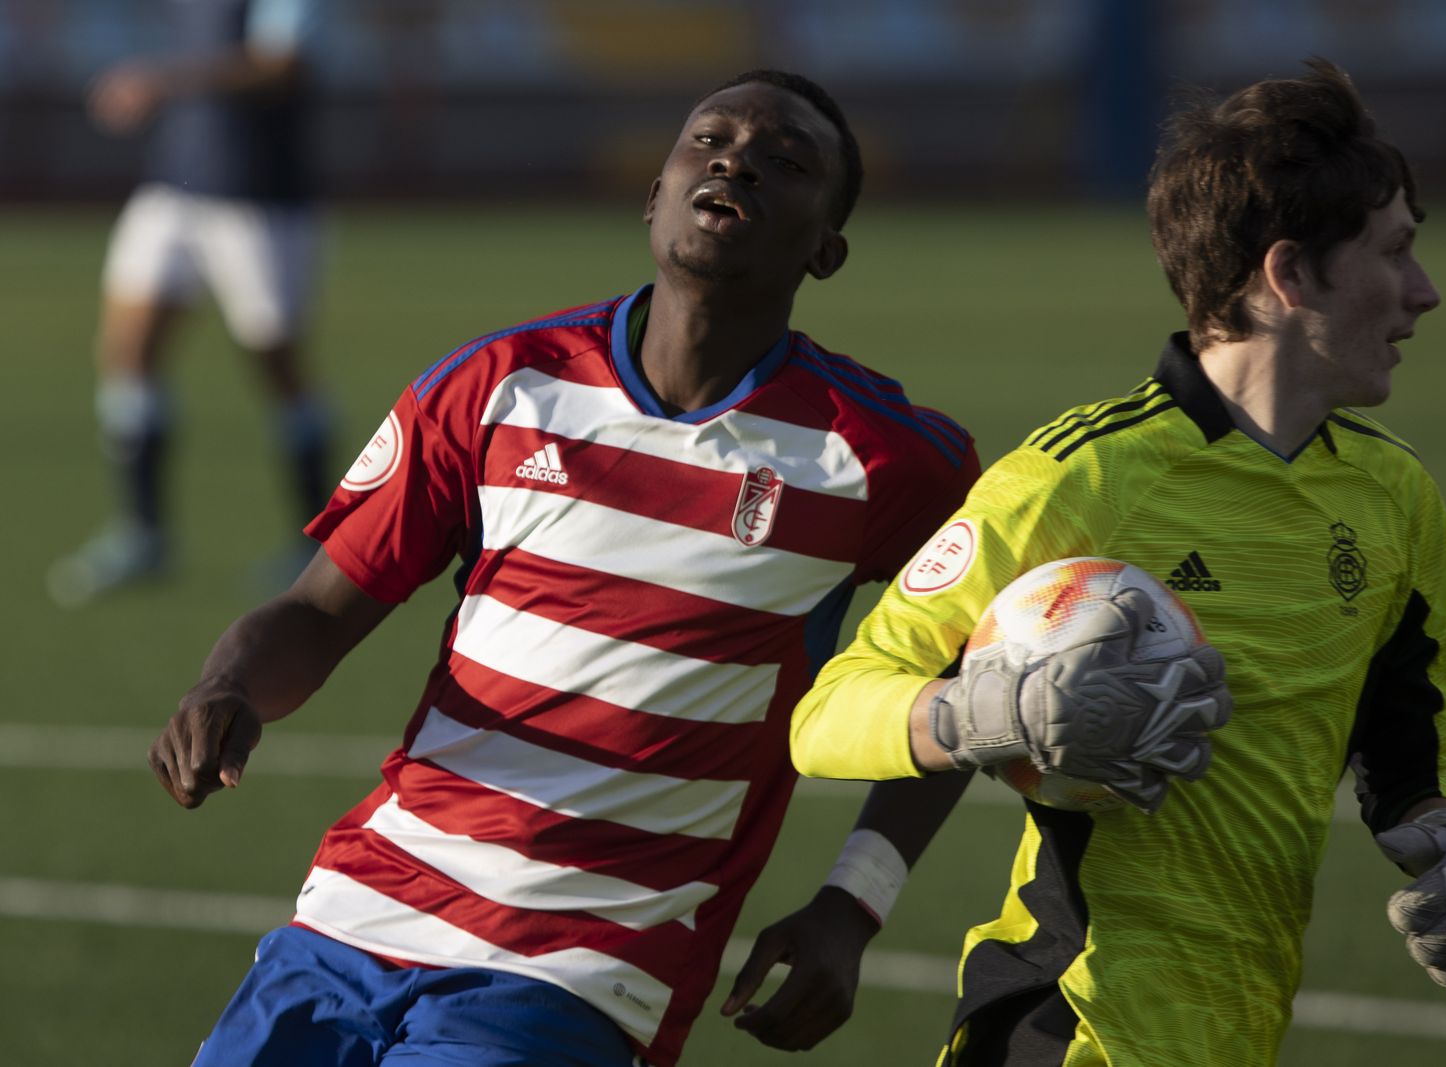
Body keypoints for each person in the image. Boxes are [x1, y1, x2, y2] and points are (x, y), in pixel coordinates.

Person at [146, 69, 980, 1067]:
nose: (737, 158)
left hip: (586, 965)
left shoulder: (883, 456)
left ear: (824, 249)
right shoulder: (501, 383)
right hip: (352, 913)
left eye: (785, 160)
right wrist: (227, 686)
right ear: (654, 194)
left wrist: (855, 902)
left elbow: (973, 668)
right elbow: (319, 610)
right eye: (707, 139)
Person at [788, 59, 1446, 1065]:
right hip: (1064, 1025)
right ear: (1289, 273)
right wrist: (980, 714)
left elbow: (1407, 751)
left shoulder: (1396, 501)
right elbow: (828, 712)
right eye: (1393, 253)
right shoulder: (1077, 480)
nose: (1424, 292)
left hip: (1236, 1033)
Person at [48, 0, 331, 607]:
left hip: (257, 197)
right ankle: (142, 531)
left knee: (277, 366)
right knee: (128, 348)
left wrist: (164, 80)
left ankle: (317, 536)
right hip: (174, 186)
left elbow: (282, 67)